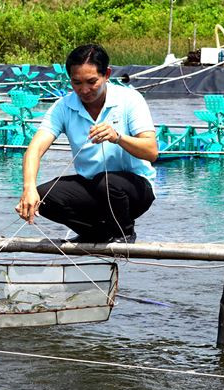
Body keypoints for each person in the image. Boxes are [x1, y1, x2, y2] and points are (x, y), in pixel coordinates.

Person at [15, 44, 158, 243]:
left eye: (92, 82)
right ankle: (96, 233)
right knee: (43, 196)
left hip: (134, 190)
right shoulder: (63, 106)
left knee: (106, 183)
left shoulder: (130, 99)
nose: (84, 90)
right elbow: (35, 149)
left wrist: (118, 137)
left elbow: (151, 151)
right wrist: (28, 188)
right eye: (76, 82)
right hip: (94, 189)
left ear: (106, 74)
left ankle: (124, 233)